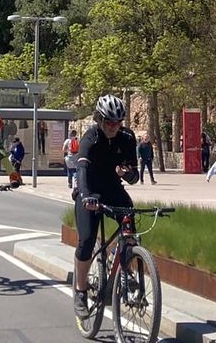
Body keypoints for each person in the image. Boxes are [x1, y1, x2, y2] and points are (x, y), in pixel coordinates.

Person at [73, 94, 138, 320]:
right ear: (100, 119)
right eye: (109, 122)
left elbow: (134, 177)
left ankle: (125, 265)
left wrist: (127, 173)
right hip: (89, 189)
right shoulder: (91, 138)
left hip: (112, 188)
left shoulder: (128, 138)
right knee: (87, 240)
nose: (114, 127)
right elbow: (80, 170)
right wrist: (85, 195)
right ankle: (80, 292)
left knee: (129, 222)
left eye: (118, 122)